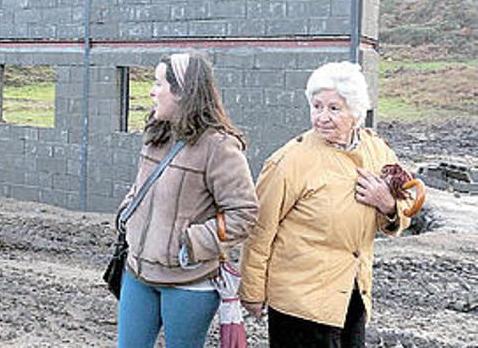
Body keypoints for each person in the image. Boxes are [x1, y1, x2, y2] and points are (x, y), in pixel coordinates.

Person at [238, 61, 414, 348]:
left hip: (353, 294)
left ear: (356, 112)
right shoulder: (289, 160)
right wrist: (252, 291)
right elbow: (259, 230)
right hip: (300, 303)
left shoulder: (378, 150)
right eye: (317, 106)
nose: (322, 117)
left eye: (334, 108)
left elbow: (409, 201)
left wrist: (388, 205)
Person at [115, 53, 259, 348]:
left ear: (182, 92)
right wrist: (127, 214)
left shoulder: (220, 146)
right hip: (138, 273)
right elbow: (141, 186)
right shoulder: (156, 133)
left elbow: (243, 213)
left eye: (159, 84)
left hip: (190, 283)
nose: (152, 91)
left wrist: (193, 242)